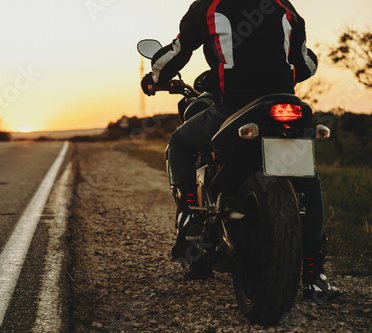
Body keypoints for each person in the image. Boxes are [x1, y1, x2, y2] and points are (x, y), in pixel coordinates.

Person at [141, 0, 342, 302]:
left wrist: (154, 78)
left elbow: (178, 51)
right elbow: (305, 64)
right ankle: (315, 277)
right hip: (284, 105)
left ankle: (191, 219)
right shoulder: (285, 7)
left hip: (231, 108)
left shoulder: (208, 7)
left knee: (179, 143)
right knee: (308, 179)